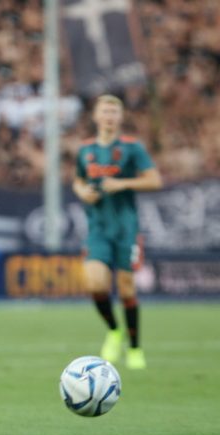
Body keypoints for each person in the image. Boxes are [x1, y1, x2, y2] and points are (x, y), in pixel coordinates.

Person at [73, 94, 163, 370]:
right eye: (105, 111)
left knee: (126, 287)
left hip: (126, 228)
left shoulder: (132, 147)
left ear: (121, 117)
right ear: (95, 116)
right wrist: (82, 192)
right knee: (95, 283)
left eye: (114, 111)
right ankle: (114, 330)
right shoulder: (85, 150)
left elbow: (155, 180)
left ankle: (135, 348)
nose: (109, 116)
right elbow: (78, 179)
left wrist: (122, 184)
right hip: (98, 229)